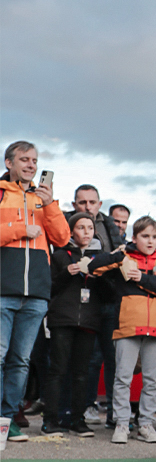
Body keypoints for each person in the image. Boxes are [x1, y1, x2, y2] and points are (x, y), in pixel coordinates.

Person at [1, 141, 71, 439]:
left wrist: (51, 204)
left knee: (20, 360)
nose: (31, 165)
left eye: (35, 160)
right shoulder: (2, 193)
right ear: (8, 163)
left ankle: (6, 420)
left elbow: (63, 238)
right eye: (24, 159)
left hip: (36, 295)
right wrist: (20, 229)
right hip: (3, 289)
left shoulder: (44, 200)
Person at [89, 216, 156, 444]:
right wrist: (119, 255)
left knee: (151, 380)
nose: (150, 241)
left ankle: (146, 424)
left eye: (154, 237)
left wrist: (143, 279)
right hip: (127, 326)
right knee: (122, 377)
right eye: (145, 236)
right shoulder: (124, 257)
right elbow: (93, 267)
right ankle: (121, 423)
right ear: (134, 237)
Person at [68, 186, 125, 431]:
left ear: (100, 204)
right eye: (82, 202)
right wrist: (105, 260)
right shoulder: (68, 226)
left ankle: (114, 412)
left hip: (111, 297)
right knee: (89, 359)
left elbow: (121, 256)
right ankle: (87, 407)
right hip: (83, 298)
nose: (87, 207)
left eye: (92, 202)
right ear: (75, 204)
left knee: (113, 358)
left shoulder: (111, 227)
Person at [41, 212, 103, 438]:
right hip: (62, 319)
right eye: (81, 227)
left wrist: (100, 277)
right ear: (71, 231)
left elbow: (109, 295)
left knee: (81, 372)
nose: (86, 232)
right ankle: (50, 419)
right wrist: (67, 273)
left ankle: (77, 419)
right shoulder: (60, 255)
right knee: (57, 370)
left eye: (90, 227)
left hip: (88, 320)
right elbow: (49, 288)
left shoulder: (101, 258)